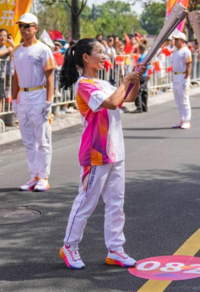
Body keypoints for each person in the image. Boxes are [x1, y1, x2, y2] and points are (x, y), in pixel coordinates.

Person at [57, 38, 144, 270]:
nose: (104, 56)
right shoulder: (84, 85)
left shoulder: (104, 82)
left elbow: (128, 98)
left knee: (116, 203)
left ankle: (115, 249)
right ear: (86, 57)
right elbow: (113, 103)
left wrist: (135, 80)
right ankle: (69, 246)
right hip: (96, 152)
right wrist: (126, 80)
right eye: (100, 52)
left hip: (116, 150)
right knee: (86, 202)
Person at [12, 13, 56, 192]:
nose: (23, 29)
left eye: (27, 26)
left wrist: (49, 101)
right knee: (28, 141)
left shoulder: (43, 49)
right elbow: (15, 77)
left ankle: (44, 177)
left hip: (39, 95)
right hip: (23, 97)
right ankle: (34, 176)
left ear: (35, 28)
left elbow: (50, 77)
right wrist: (14, 100)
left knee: (42, 140)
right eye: (21, 26)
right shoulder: (17, 50)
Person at [171, 31, 192, 130]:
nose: (175, 41)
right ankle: (181, 120)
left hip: (183, 76)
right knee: (178, 100)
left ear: (182, 40)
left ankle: (187, 120)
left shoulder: (186, 51)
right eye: (174, 40)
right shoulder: (175, 51)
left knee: (184, 99)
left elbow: (188, 65)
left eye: (177, 40)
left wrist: (186, 78)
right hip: (176, 77)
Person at [133, 44, 149, 113]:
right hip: (145, 75)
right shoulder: (147, 56)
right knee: (144, 91)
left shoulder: (141, 57)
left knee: (138, 91)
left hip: (140, 75)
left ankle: (139, 107)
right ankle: (144, 107)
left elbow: (137, 66)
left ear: (141, 49)